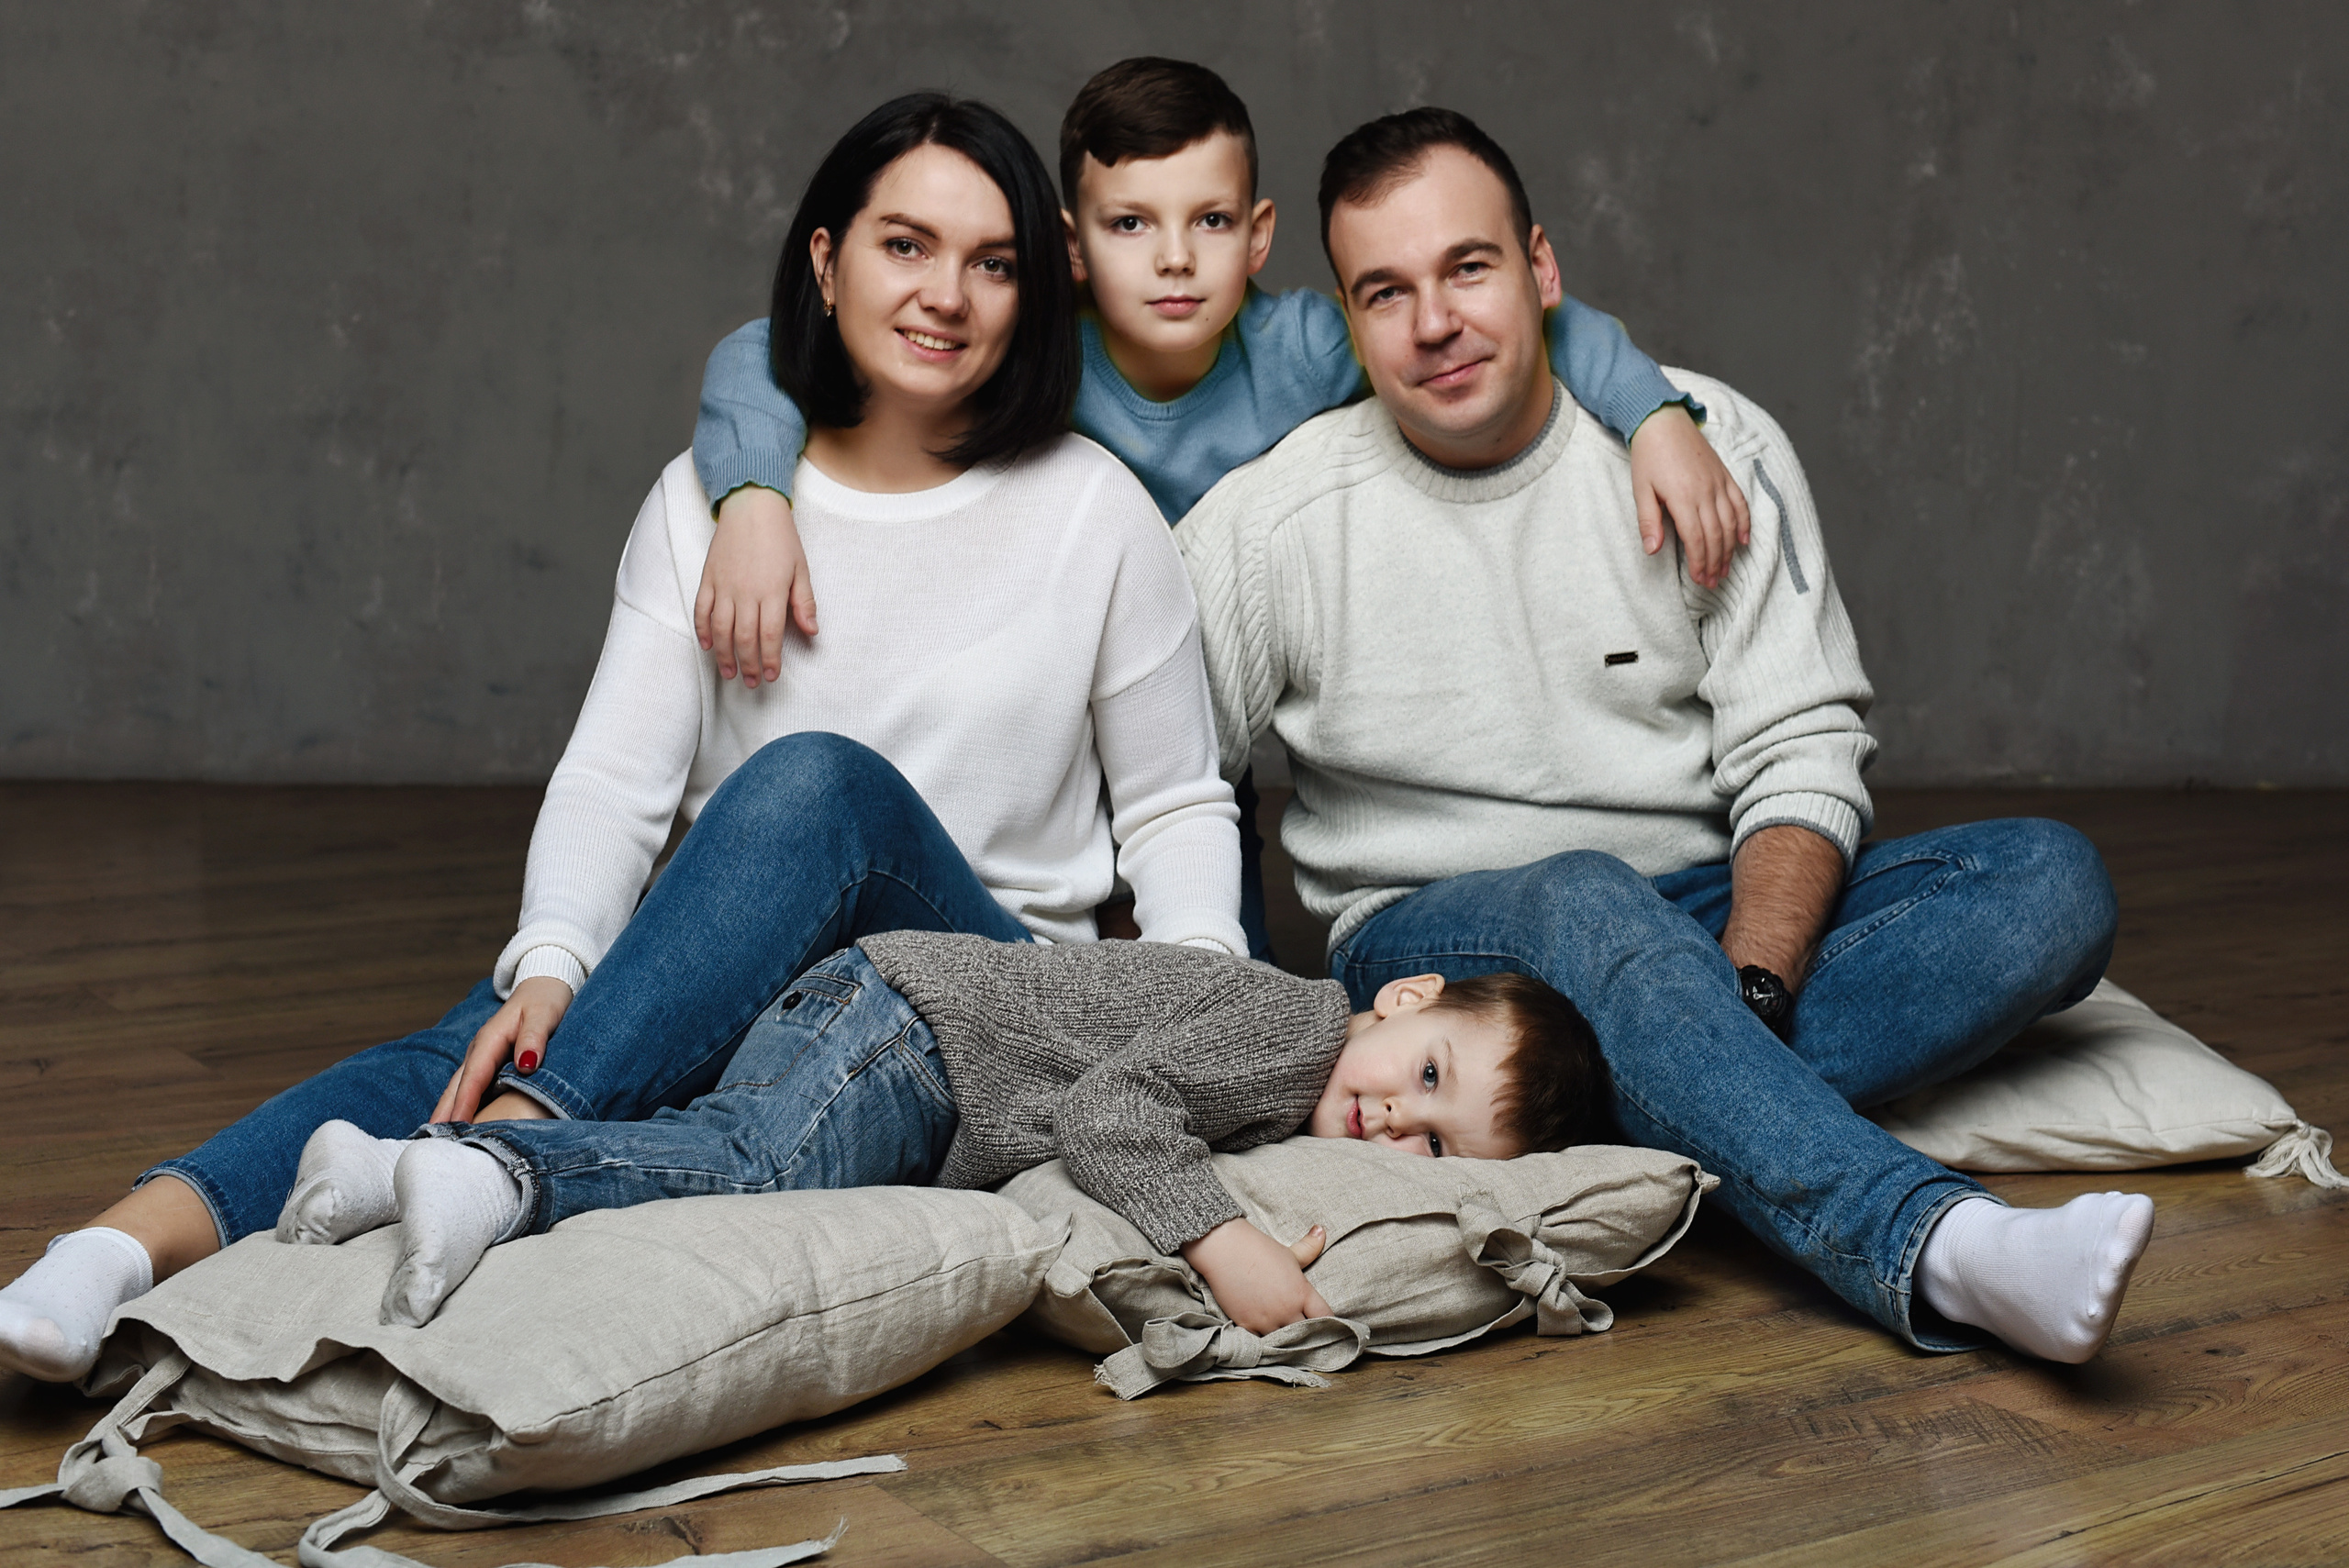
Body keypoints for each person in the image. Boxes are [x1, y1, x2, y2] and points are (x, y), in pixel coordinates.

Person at [0, 93, 1245, 1385]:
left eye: (993, 265)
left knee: (822, 785)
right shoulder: (710, 498)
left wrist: (1196, 1001)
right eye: (906, 246)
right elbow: (615, 777)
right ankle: (107, 1253)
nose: (949, 295)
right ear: (825, 263)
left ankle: (514, 1138)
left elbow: (1173, 802)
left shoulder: (1095, 511)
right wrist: (550, 962)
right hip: (755, 964)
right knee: (499, 1025)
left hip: (983, 1008)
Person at [1173, 106, 2156, 1365]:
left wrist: (1734, 994)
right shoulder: (1271, 526)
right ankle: (1937, 1244)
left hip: (1704, 917)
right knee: (1582, 898)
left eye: (1467, 268)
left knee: (2044, 885)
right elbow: (1167, 787)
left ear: (1541, 268)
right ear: (1350, 320)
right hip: (1441, 947)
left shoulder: (1708, 446)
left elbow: (1798, 753)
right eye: (1384, 291)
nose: (1432, 323)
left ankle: (1663, 1093)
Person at [685, 58, 1754, 962]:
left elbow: (1522, 326)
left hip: (1203, 730)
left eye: (1207, 221)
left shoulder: (1306, 347)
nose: (1171, 258)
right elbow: (770, 346)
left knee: (1208, 969)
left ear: (1256, 235)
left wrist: (1655, 416)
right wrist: (751, 498)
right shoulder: (1031, 343)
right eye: (1130, 223)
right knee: (1037, 935)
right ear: (1069, 245)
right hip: (1047, 716)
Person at [287, 935, 1609, 1334]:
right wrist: (1224, 1245)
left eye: (1431, 1144)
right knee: (752, 1173)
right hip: (914, 1031)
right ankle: (491, 1168)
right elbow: (1110, 1112)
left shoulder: (1297, 1082)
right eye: (1425, 1070)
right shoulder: (1291, 1028)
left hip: (889, 1027)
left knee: (717, 1152)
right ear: (1404, 999)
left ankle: (375, 1172)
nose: (1394, 1117)